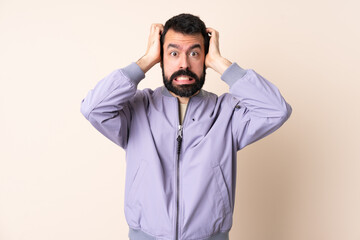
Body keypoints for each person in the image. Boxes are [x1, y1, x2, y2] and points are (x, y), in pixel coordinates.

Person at [81, 13, 292, 240]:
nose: (184, 64)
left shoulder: (227, 113)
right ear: (161, 57)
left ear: (205, 58)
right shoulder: (137, 109)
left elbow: (276, 110)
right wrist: (145, 61)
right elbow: (93, 109)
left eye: (194, 53)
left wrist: (221, 64)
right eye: (173, 53)